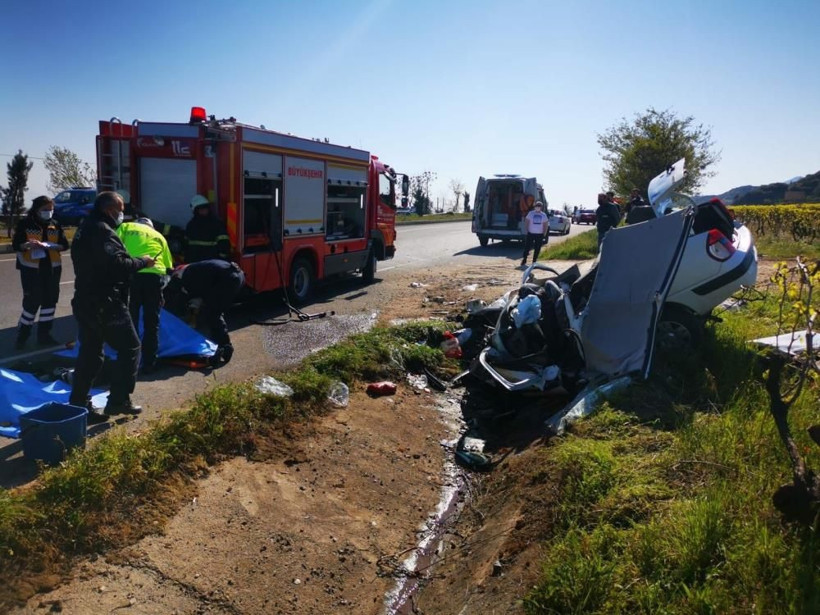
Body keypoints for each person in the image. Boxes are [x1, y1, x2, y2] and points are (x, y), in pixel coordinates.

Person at [68, 191, 156, 420]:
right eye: (121, 210)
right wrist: (143, 262)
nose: (122, 214)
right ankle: (119, 400)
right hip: (106, 303)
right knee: (130, 348)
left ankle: (78, 405)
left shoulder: (85, 227)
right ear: (109, 210)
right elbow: (117, 265)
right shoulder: (102, 231)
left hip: (85, 300)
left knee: (90, 354)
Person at [116, 217, 174, 374]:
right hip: (154, 278)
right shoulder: (160, 236)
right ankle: (150, 363)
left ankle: (130, 362)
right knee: (151, 323)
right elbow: (168, 267)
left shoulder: (126, 227)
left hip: (132, 273)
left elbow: (114, 246)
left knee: (130, 319)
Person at [11, 196, 69, 349]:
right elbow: (16, 245)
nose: (49, 212)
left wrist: (53, 246)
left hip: (52, 268)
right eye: (45, 209)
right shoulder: (26, 224)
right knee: (31, 303)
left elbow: (64, 245)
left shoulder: (55, 224)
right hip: (31, 270)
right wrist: (27, 245)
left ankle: (44, 335)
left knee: (50, 302)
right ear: (37, 209)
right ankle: (22, 337)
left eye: (51, 209)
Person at [168, 259, 245, 366]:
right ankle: (221, 346)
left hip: (226, 279)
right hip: (238, 276)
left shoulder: (184, 277)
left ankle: (225, 346)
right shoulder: (192, 268)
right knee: (213, 312)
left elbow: (190, 299)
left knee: (213, 314)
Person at [184, 194, 231, 263]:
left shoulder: (216, 223)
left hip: (211, 262)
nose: (204, 211)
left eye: (205, 208)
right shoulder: (191, 225)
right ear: (196, 211)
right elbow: (186, 245)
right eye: (201, 209)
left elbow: (224, 243)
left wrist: (222, 259)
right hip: (195, 262)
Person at [520, 201, 549, 267]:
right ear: (535, 206)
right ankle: (524, 259)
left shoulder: (543, 215)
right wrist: (527, 229)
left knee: (537, 248)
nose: (538, 207)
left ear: (541, 207)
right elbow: (527, 221)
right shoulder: (531, 213)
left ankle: (534, 261)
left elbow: (545, 224)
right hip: (531, 233)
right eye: (537, 205)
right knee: (527, 247)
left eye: (539, 206)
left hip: (539, 234)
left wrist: (544, 232)